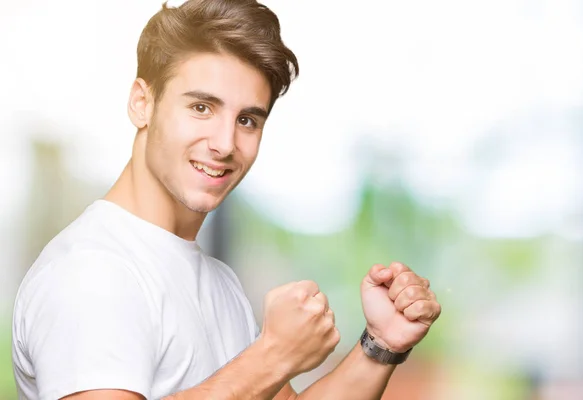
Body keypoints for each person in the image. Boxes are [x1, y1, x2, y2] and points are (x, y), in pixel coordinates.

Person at [11, 0, 442, 399]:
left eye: (247, 120)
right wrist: (275, 353)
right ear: (142, 103)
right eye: (201, 107)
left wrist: (380, 345)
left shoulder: (218, 282)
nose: (224, 143)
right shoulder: (93, 270)